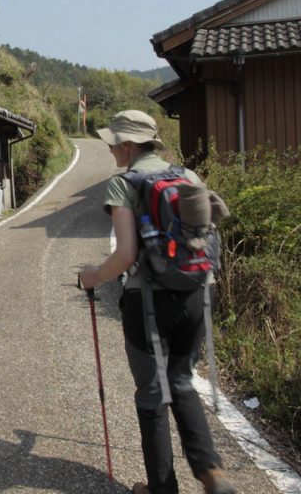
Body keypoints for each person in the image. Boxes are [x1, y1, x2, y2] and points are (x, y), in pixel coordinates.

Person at [78, 110, 235, 494]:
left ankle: (162, 489)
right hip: (197, 295)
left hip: (147, 302)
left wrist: (92, 277)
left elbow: (126, 255)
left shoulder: (123, 185)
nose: (111, 148)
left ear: (128, 145)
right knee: (181, 381)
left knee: (151, 392)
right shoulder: (188, 177)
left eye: (114, 142)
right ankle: (210, 472)